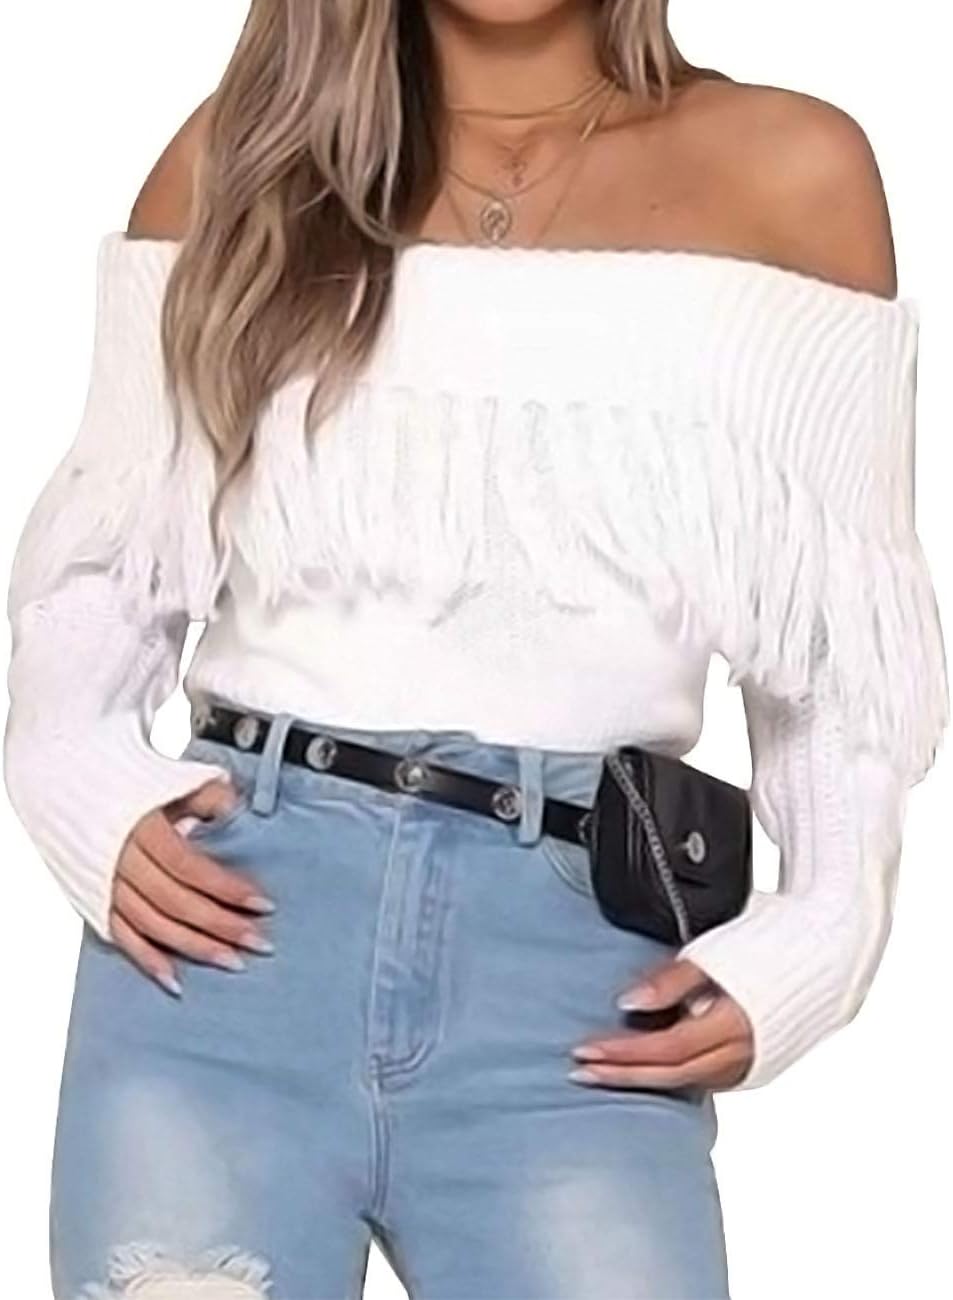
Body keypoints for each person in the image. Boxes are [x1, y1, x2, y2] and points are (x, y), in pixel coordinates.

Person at [4, 2, 949, 1298]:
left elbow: (839, 636)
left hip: (576, 996)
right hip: (223, 954)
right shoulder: (248, 154)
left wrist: (826, 926)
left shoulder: (788, 171)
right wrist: (75, 776)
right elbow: (106, 557)